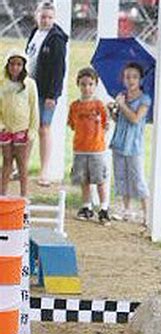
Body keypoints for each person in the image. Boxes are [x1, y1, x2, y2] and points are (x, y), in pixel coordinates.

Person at [26, 1, 68, 186]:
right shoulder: (35, 33)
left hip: (46, 91)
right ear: (37, 16)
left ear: (54, 18)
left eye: (50, 17)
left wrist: (53, 94)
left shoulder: (57, 39)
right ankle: (23, 166)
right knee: (27, 128)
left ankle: (45, 171)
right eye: (43, 16)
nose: (46, 20)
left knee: (44, 128)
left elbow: (60, 69)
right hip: (30, 88)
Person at [108, 62, 151, 226]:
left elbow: (134, 119)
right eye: (127, 77)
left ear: (140, 79)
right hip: (119, 141)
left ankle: (146, 213)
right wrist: (113, 110)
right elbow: (119, 119)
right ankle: (127, 210)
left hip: (133, 145)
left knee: (137, 178)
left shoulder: (144, 99)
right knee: (121, 177)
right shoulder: (122, 96)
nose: (130, 80)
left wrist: (122, 104)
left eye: (134, 77)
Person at [67, 67, 110, 225]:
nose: (87, 88)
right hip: (80, 148)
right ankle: (86, 206)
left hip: (96, 149)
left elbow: (106, 124)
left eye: (90, 84)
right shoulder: (74, 106)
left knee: (99, 179)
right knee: (84, 179)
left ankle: (104, 208)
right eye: (83, 84)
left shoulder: (99, 105)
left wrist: (97, 132)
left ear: (95, 85)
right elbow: (72, 124)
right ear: (78, 84)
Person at [0, 50, 39, 197]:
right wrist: (1, 126)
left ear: (24, 66)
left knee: (22, 163)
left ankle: (24, 196)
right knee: (7, 162)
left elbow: (34, 108)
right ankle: (2, 195)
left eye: (19, 64)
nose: (15, 68)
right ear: (7, 65)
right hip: (5, 130)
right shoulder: (2, 84)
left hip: (23, 130)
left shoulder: (30, 84)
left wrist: (32, 131)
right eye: (12, 64)